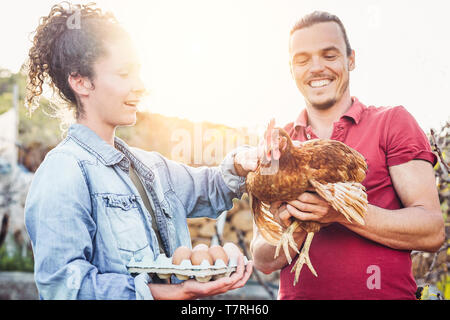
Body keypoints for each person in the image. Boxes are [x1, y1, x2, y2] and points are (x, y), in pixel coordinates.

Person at [24, 3, 255, 300]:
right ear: (80, 81)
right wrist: (167, 293)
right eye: (124, 74)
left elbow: (211, 187)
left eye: (138, 73)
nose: (140, 86)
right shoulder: (63, 172)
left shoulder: (150, 167)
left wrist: (242, 162)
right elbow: (63, 288)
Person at [250, 11, 445, 300]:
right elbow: (262, 258)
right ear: (291, 69)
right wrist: (300, 225)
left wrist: (342, 212)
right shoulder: (276, 145)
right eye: (302, 59)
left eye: (329, 55)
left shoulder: (392, 122)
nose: (316, 68)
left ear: (351, 59)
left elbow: (431, 231)